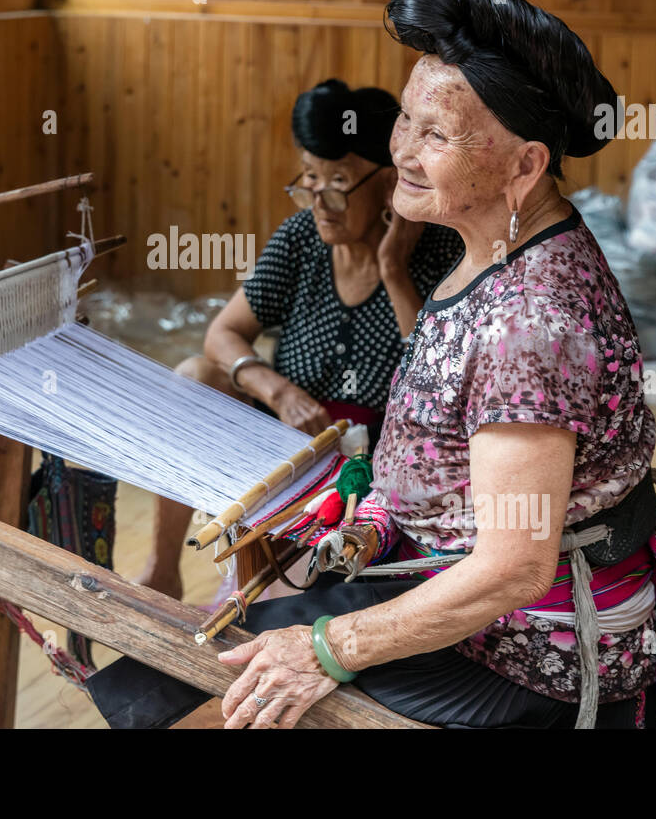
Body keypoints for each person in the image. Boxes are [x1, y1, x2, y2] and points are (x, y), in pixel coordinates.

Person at [87, 0, 656, 729]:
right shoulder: (487, 247)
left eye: (437, 134)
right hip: (456, 590)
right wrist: (376, 519)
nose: (404, 153)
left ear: (525, 165)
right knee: (164, 675)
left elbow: (514, 566)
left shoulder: (532, 321)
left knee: (191, 708)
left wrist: (328, 644)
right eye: (406, 121)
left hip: (525, 647)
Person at [138, 79, 463, 600]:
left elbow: (434, 379)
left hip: (375, 474)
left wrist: (393, 269)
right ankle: (162, 565)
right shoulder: (299, 240)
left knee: (263, 609)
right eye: (310, 178)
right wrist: (275, 389)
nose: (320, 200)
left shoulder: (440, 252)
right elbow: (222, 334)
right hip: (287, 450)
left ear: (389, 184)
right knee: (193, 378)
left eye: (339, 181)